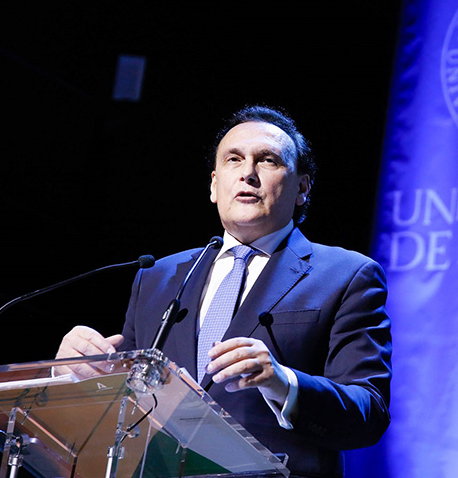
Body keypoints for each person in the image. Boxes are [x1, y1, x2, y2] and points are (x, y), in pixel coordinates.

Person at [56, 105, 391, 478]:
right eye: (234, 160)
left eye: (267, 161)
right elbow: (132, 397)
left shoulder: (346, 275)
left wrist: (283, 382)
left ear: (302, 187)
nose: (248, 173)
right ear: (215, 186)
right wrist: (81, 372)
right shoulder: (157, 277)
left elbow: (369, 411)